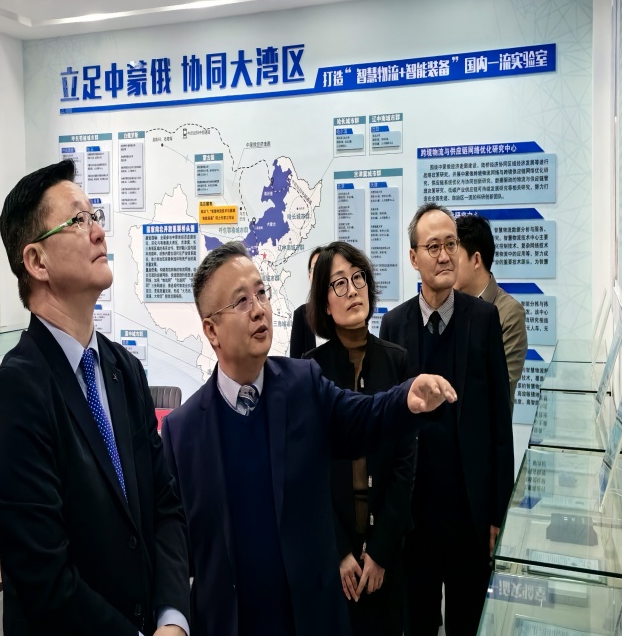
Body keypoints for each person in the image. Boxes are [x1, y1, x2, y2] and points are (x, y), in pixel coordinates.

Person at [162, 241, 455, 636]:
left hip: (311, 619)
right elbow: (172, 545)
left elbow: (361, 418)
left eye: (261, 293)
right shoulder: (182, 432)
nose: (259, 309)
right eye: (241, 301)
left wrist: (405, 399)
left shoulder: (303, 384)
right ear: (211, 330)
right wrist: (172, 619)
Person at [0, 160, 189, 636]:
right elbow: (45, 579)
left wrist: (173, 619)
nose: (97, 231)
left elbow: (165, 506)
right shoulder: (17, 391)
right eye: (78, 220)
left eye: (95, 217)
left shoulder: (124, 370)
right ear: (37, 262)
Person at [379, 203, 514, 636]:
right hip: (414, 514)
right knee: (417, 623)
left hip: (469, 512)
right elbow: (387, 424)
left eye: (450, 245)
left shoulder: (484, 319)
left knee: (467, 623)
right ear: (413, 256)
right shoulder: (394, 325)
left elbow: (500, 422)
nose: (443, 256)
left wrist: (499, 514)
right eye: (432, 246)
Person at [303, 241, 414, 636]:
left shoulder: (397, 360)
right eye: (339, 284)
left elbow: (405, 464)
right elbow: (309, 472)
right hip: (334, 555)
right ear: (324, 302)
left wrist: (380, 552)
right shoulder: (310, 371)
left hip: (386, 553)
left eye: (358, 278)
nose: (352, 291)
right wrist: (339, 552)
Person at [455, 213, 528, 406]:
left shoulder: (509, 313)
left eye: (454, 257)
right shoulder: (447, 307)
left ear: (476, 260)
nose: (447, 264)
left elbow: (501, 386)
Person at [289, 245, 325, 357]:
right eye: (314, 268)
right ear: (310, 275)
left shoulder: (340, 311)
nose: (318, 273)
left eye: (322, 267)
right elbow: (294, 361)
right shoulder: (301, 314)